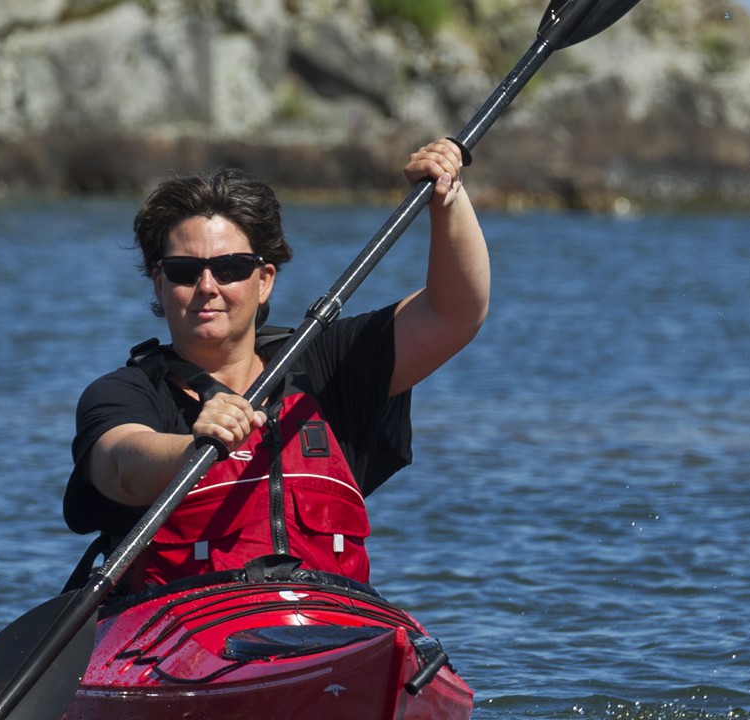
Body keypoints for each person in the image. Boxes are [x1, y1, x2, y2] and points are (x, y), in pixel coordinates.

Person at [66, 143, 487, 594]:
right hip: (184, 638)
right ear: (159, 282)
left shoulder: (325, 362)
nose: (207, 287)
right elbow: (121, 465)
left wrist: (448, 200)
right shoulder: (125, 392)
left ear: (264, 280)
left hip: (332, 622)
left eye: (230, 268)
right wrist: (192, 448)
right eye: (185, 271)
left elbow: (453, 313)